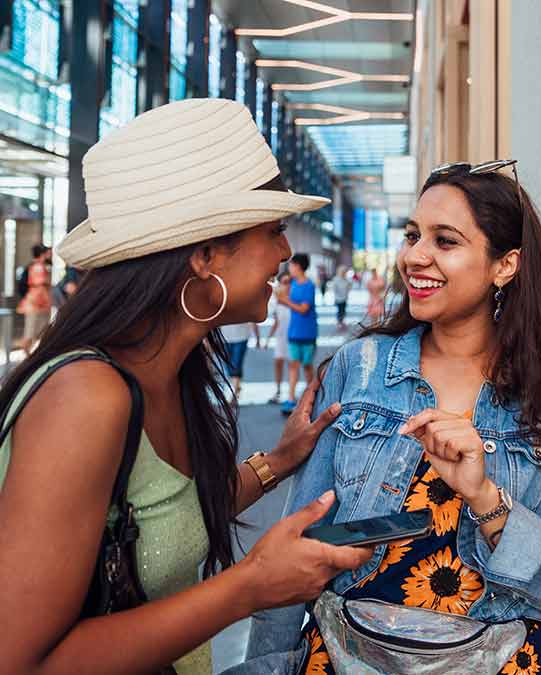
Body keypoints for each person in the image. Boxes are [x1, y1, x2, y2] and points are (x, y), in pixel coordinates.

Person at [0, 98, 373, 674]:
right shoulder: (85, 398)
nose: (283, 252)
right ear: (203, 256)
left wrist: (281, 459)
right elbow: (21, 661)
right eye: (273, 230)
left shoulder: (169, 374)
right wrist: (248, 587)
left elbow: (165, 517)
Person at [240, 161, 541, 674]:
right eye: (412, 235)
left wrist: (486, 499)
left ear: (505, 265)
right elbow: (303, 543)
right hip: (347, 657)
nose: (414, 256)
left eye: (445, 241)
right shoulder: (361, 368)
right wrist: (269, 664)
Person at [277, 253, 318, 415]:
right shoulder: (291, 283)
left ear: (299, 266)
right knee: (293, 365)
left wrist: (285, 300)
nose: (289, 268)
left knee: (307, 366)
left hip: (308, 332)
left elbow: (303, 309)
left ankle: (312, 398)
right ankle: (291, 398)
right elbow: (280, 295)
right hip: (294, 332)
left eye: (292, 265)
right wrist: (284, 285)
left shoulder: (309, 286)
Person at [16, 244, 53, 352]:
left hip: (39, 301)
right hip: (35, 301)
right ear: (42, 254)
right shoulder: (37, 267)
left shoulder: (40, 266)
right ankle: (27, 352)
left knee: (38, 329)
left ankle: (30, 351)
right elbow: (40, 283)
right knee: (31, 329)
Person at [266, 271, 292, 404]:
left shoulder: (294, 301)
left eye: (289, 282)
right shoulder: (277, 303)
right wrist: (267, 339)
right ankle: (278, 390)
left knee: (292, 365)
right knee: (278, 363)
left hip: (293, 338)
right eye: (284, 282)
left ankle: (291, 393)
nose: (286, 285)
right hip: (280, 338)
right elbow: (276, 322)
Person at [219, 322, 259, 399]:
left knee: (236, 364)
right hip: (224, 338)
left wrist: (257, 336)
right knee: (228, 365)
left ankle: (235, 392)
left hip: (241, 337)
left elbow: (252, 317)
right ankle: (237, 387)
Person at [330, 265, 352, 331]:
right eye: (343, 271)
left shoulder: (346, 279)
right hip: (338, 298)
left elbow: (349, 286)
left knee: (343, 311)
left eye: (344, 272)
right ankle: (339, 323)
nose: (343, 273)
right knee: (340, 311)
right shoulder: (336, 279)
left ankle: (341, 322)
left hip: (344, 298)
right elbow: (334, 289)